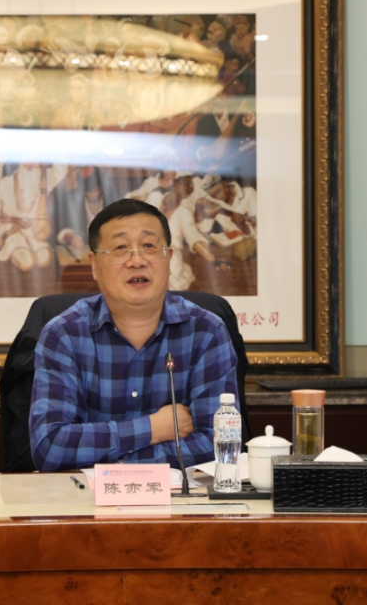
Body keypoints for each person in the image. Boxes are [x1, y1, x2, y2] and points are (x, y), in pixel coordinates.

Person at [29, 199, 239, 472]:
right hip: (85, 497)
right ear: (94, 265)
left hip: (180, 498)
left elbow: (218, 443)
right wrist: (155, 427)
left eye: (149, 246)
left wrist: (114, 464)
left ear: (169, 259)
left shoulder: (206, 331)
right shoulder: (64, 335)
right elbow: (51, 447)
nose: (137, 260)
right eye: (120, 248)